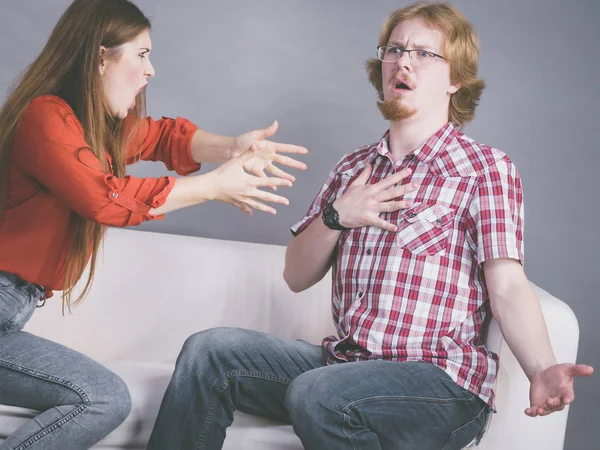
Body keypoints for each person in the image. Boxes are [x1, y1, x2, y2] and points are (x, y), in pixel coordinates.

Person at [147, 2, 594, 450]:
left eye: (424, 53)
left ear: (455, 78)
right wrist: (338, 216)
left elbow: (509, 287)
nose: (403, 61)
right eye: (395, 50)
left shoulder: (485, 169)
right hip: (344, 367)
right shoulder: (352, 168)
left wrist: (541, 368)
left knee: (318, 392)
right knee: (210, 351)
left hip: (439, 383)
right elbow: (295, 275)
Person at [0, 0, 307, 448]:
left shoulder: (91, 129)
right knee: (102, 397)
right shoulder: (45, 117)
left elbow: (164, 136)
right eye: (141, 55)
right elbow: (103, 197)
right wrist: (212, 187)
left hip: (12, 310)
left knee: (102, 396)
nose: (151, 70)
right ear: (101, 56)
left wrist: (233, 147)